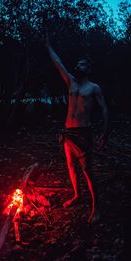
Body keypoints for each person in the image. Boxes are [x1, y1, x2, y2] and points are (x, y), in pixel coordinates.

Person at [45, 34, 108, 223]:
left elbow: (104, 109)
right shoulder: (70, 82)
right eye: (77, 64)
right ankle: (77, 195)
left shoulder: (94, 88)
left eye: (82, 65)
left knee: (88, 170)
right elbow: (58, 62)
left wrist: (105, 133)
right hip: (68, 133)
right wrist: (48, 44)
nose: (77, 67)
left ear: (88, 69)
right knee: (71, 166)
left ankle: (96, 208)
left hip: (83, 133)